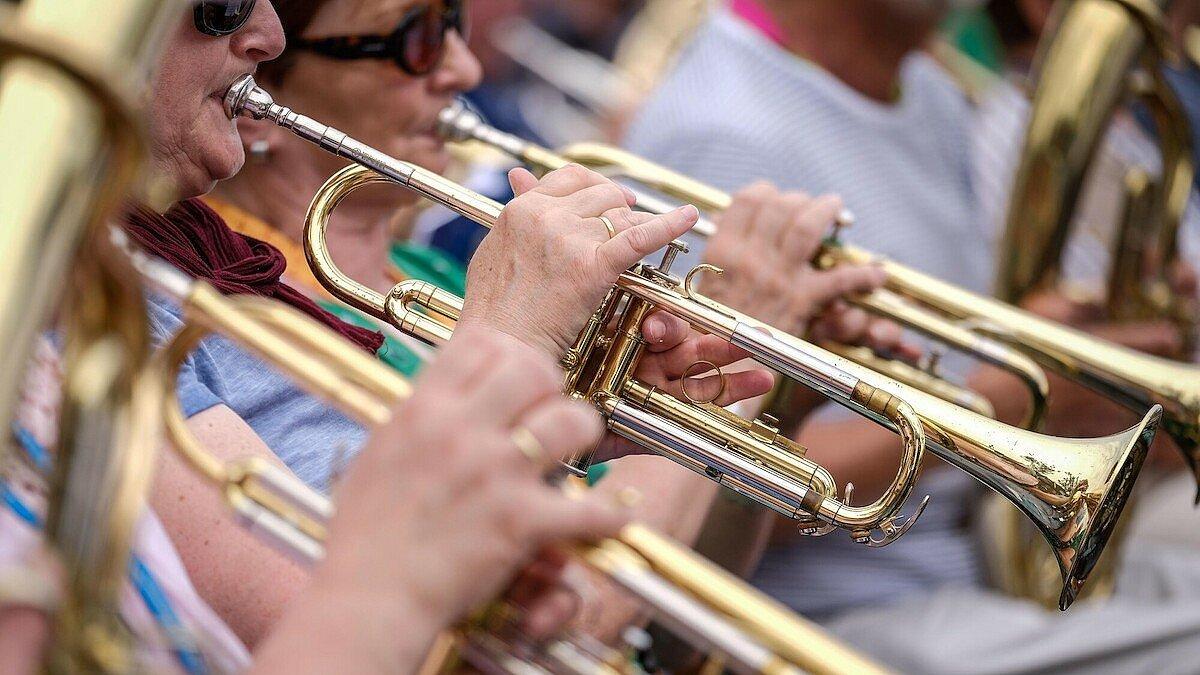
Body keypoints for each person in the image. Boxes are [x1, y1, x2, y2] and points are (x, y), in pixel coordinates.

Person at [624, 0, 1200, 672]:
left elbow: (962, 340)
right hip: (842, 610)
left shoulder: (927, 91)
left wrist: (1095, 327)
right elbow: (685, 483)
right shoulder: (720, 129)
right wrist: (1017, 397)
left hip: (975, 555)